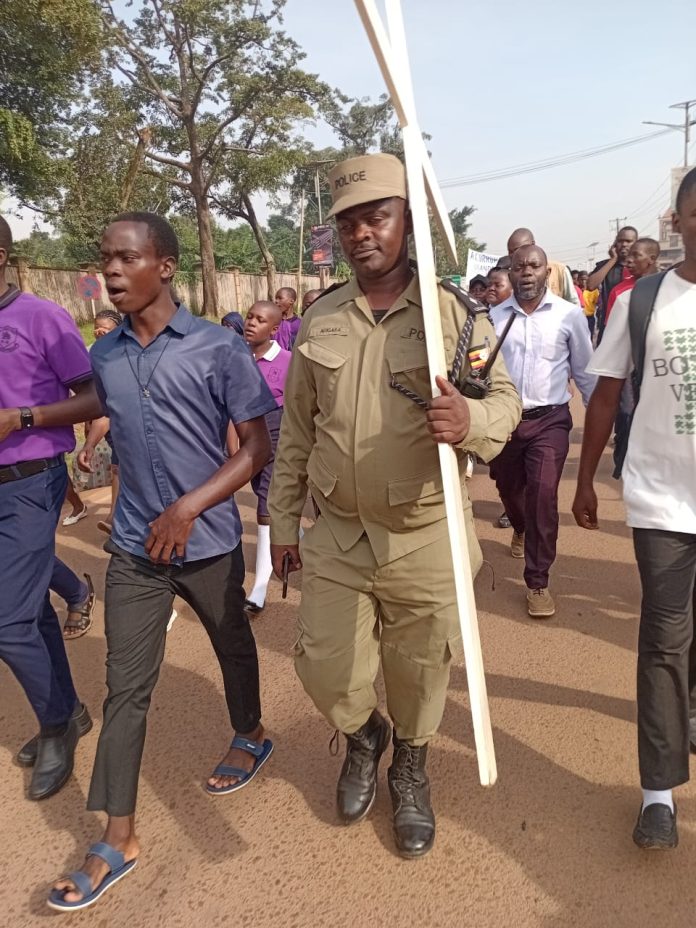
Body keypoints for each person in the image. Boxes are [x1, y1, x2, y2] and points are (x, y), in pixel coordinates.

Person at [268, 153, 521, 859]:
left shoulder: (451, 317)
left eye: (376, 216)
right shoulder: (319, 319)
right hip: (340, 534)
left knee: (419, 670)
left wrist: (471, 425)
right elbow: (296, 433)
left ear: (406, 222)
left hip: (423, 534)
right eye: (348, 222)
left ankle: (410, 765)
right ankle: (362, 736)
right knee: (322, 666)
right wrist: (282, 522)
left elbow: (505, 401)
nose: (361, 234)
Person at [48, 212, 276, 912]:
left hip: (204, 543)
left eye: (126, 258)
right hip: (134, 552)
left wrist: (188, 507)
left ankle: (251, 732)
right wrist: (43, 422)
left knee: (231, 640)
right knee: (126, 688)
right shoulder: (109, 351)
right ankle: (116, 836)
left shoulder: (216, 347)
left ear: (166, 266)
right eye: (105, 259)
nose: (111, 271)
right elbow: (103, 403)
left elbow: (255, 448)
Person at [572, 167, 696, 851]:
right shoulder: (643, 300)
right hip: (661, 500)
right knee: (663, 636)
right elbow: (602, 394)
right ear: (676, 223)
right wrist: (585, 479)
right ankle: (658, 794)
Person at [0, 214, 100, 800]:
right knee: (31, 610)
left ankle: (57, 725)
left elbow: (93, 394)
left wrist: (23, 418)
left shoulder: (42, 316)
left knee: (8, 625)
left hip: (29, 483)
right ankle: (70, 712)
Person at [489, 244, 596, 618]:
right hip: (505, 423)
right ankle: (519, 527)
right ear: (512, 273)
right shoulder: (493, 317)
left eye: (534, 266)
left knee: (543, 495)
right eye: (520, 267)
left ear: (546, 272)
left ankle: (538, 581)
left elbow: (585, 372)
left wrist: (601, 414)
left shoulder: (569, 316)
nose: (527, 273)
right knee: (509, 490)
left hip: (550, 420)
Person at [242, 301, 292, 614]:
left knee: (265, 503)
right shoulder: (237, 358)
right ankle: (291, 529)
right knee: (257, 487)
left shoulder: (288, 361)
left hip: (277, 433)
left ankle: (259, 586)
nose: (251, 323)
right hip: (248, 434)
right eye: (249, 316)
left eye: (260, 320)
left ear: (274, 329)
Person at [486, 267, 515, 529]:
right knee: (503, 476)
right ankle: (516, 516)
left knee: (539, 482)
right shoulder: (482, 321)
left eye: (498, 284)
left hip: (537, 413)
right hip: (498, 410)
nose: (491, 289)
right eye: (489, 285)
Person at [586, 225, 638, 341]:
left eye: (628, 241)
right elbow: (590, 285)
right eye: (620, 241)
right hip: (610, 327)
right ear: (615, 244)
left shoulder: (642, 266)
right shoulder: (606, 266)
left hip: (635, 327)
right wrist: (613, 260)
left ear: (636, 243)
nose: (624, 244)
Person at [506, 228, 580, 306]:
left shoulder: (560, 270)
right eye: (510, 251)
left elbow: (573, 303)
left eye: (518, 249)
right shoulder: (508, 274)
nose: (514, 254)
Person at [578, 270, 599, 337]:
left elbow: (597, 303)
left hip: (590, 318)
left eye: (586, 280)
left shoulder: (594, 290)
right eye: (582, 279)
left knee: (589, 337)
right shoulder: (576, 290)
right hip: (579, 317)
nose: (584, 282)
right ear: (578, 280)